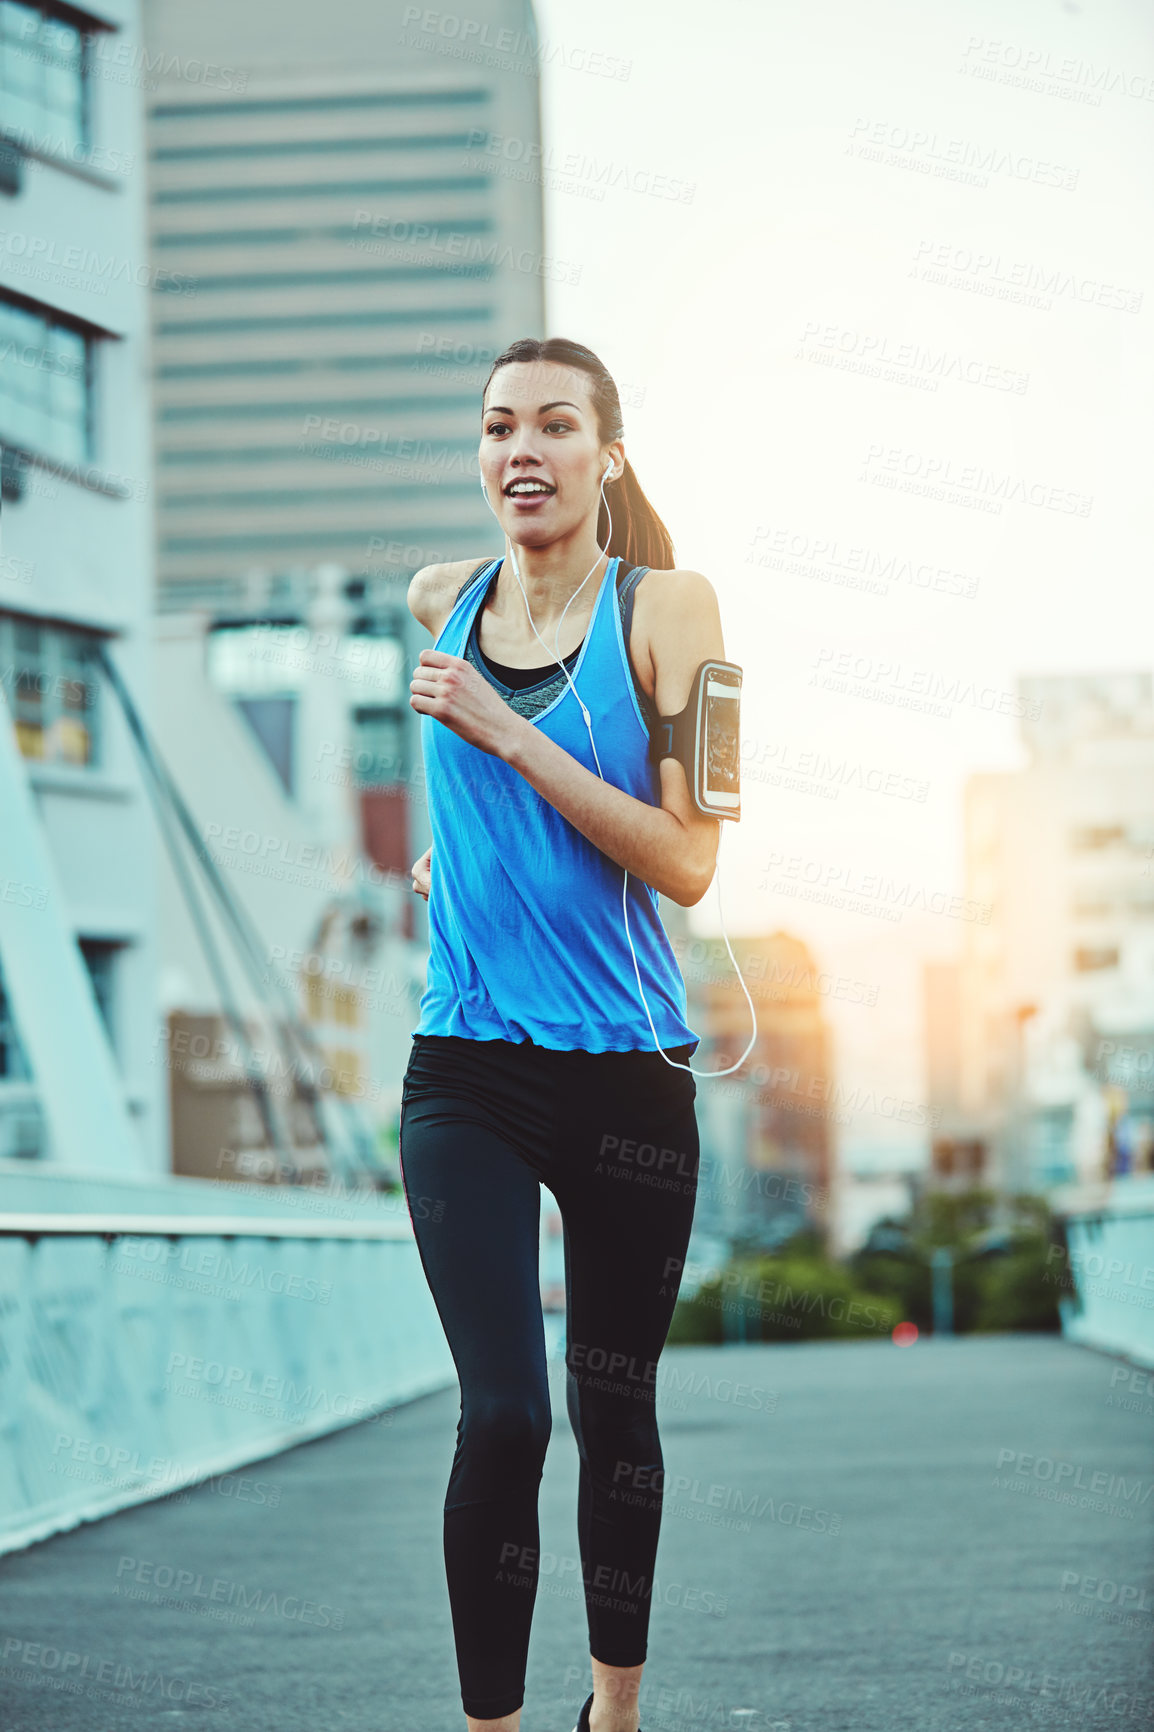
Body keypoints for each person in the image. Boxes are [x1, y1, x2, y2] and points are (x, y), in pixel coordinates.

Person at [399, 335, 726, 1732]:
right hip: (467, 1067)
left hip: (627, 1081)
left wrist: (509, 738)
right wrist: (448, 872)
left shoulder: (668, 608)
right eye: (495, 427)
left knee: (614, 1415)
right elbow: (463, 825)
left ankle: (615, 1711)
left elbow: (690, 861)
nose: (519, 449)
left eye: (551, 426)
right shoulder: (438, 599)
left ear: (606, 456)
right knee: (504, 1415)